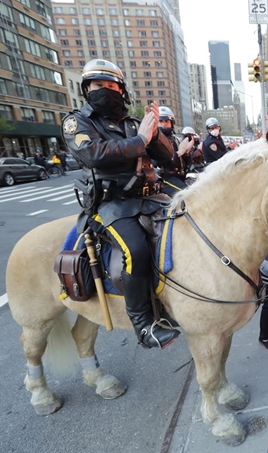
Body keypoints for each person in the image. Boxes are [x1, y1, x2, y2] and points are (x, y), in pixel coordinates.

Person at [61, 59, 178, 350]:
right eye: (98, 85)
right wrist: (140, 139)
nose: (106, 90)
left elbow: (168, 157)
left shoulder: (132, 123)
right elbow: (94, 154)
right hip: (111, 205)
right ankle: (145, 325)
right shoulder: (78, 121)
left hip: (152, 198)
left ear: (122, 90)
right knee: (136, 250)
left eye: (111, 85)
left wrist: (156, 133)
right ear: (87, 89)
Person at [157, 107, 195, 195]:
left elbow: (186, 163)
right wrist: (179, 152)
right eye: (161, 121)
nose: (163, 124)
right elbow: (166, 162)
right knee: (188, 196)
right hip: (166, 178)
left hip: (179, 176)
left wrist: (187, 152)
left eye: (166, 121)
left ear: (172, 123)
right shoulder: (156, 141)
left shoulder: (175, 139)